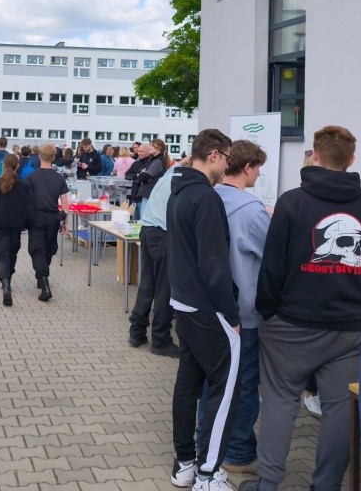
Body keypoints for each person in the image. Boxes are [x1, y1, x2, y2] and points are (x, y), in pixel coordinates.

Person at [239, 126, 361, 491]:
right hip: (351, 330)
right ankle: (326, 485)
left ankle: (268, 483)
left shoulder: (291, 203)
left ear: (316, 156)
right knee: (341, 410)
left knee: (280, 401)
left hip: (290, 326)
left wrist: (268, 312)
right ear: (352, 159)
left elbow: (272, 267)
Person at [166, 128, 237, 491]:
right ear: (213, 155)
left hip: (184, 300)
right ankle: (208, 474)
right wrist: (233, 315)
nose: (228, 166)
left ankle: (185, 464)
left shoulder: (177, 190)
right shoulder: (206, 198)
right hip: (207, 308)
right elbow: (214, 264)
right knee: (225, 389)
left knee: (189, 383)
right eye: (227, 158)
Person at [196, 140, 271, 475]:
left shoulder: (207, 198)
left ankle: (205, 442)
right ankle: (238, 452)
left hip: (207, 308)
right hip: (242, 312)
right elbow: (273, 257)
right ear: (248, 167)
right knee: (243, 384)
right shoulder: (252, 210)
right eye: (259, 168)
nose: (260, 175)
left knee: (211, 382)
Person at [127, 165, 180, 356]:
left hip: (148, 231)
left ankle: (137, 332)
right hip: (162, 234)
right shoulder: (180, 182)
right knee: (164, 290)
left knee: (147, 285)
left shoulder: (167, 177)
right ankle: (160, 339)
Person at [0, 154, 32, 307]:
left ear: (4, 165)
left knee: (1, 254)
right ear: (18, 166)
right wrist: (26, 223)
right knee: (12, 251)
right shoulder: (24, 184)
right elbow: (27, 206)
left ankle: (5, 282)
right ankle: (8, 277)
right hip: (16, 225)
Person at [27, 144, 70, 302]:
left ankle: (43, 281)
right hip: (53, 217)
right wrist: (66, 221)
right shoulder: (59, 178)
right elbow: (64, 201)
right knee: (49, 247)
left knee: (37, 249)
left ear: (39, 156)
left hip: (36, 216)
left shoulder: (32, 176)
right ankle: (43, 276)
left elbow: (26, 199)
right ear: (53, 158)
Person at [135, 138, 170, 218]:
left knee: (145, 218)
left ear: (159, 148)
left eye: (152, 146)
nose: (149, 147)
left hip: (150, 194)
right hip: (150, 193)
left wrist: (142, 173)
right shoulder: (154, 160)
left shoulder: (157, 162)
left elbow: (143, 178)